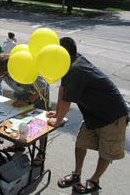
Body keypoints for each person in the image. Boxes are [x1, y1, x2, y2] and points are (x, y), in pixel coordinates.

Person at [47, 37, 129, 194]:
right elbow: (63, 88)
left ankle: (94, 180)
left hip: (112, 115)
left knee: (106, 151)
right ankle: (76, 174)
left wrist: (57, 121)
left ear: (63, 53)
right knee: (81, 144)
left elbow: (67, 100)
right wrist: (58, 113)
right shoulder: (68, 63)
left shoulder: (77, 68)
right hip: (93, 114)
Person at [0, 53, 50, 166]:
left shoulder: (25, 68)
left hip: (38, 98)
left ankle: (41, 152)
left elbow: (43, 88)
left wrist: (27, 102)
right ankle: (19, 145)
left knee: (41, 126)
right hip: (20, 96)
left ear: (6, 71)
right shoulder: (1, 72)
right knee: (19, 122)